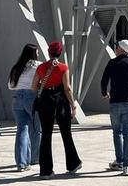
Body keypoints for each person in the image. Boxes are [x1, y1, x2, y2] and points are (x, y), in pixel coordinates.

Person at [33, 41, 82, 178]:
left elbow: (33, 86)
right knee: (66, 134)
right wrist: (73, 105)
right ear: (60, 53)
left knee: (46, 135)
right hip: (60, 102)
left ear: (48, 52)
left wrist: (45, 90)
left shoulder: (41, 67)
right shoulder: (63, 67)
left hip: (45, 102)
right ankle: (73, 164)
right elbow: (67, 88)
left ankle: (46, 171)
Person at [100, 39, 128, 176]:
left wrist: (104, 93)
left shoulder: (112, 63)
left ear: (122, 50)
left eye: (117, 47)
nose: (116, 48)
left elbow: (104, 80)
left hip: (115, 102)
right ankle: (126, 166)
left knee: (116, 132)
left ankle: (119, 161)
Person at [8, 43, 42, 172]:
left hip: (17, 98)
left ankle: (22, 163)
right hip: (32, 97)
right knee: (36, 129)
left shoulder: (17, 67)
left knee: (22, 130)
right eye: (37, 52)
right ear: (34, 53)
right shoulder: (38, 66)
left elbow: (11, 86)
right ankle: (34, 158)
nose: (38, 54)